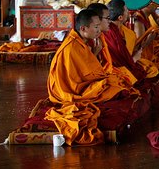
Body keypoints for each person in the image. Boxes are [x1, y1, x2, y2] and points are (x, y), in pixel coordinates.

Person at [45, 9, 137, 145]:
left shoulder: (81, 41)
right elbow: (87, 77)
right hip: (72, 91)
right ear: (83, 28)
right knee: (115, 85)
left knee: (117, 81)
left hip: (80, 84)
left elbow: (88, 70)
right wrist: (104, 78)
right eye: (96, 27)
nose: (99, 30)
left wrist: (95, 53)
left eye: (99, 26)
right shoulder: (72, 47)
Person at [102, 0, 159, 83]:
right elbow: (121, 62)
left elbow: (127, 52)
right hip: (116, 69)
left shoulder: (118, 28)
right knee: (149, 71)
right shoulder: (111, 32)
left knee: (151, 68)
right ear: (120, 17)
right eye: (126, 10)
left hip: (126, 63)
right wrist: (134, 59)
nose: (129, 12)